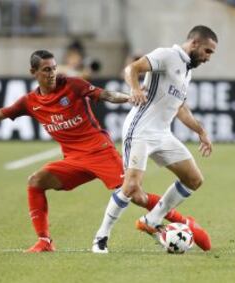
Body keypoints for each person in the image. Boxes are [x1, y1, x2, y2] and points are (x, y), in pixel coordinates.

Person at [0, 49, 203, 253]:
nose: (51, 73)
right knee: (35, 181)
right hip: (74, 160)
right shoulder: (30, 101)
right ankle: (44, 241)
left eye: (53, 68)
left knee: (135, 195)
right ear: (33, 73)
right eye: (45, 70)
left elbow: (105, 94)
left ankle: (181, 221)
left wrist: (129, 96)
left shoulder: (72, 85)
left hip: (100, 151)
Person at [92, 25, 218, 253]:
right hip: (140, 130)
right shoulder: (167, 55)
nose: (209, 57)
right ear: (195, 43)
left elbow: (180, 108)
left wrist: (200, 131)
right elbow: (132, 68)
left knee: (194, 179)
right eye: (208, 51)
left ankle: (152, 220)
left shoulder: (187, 69)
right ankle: (101, 237)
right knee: (130, 187)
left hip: (162, 134)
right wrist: (134, 89)